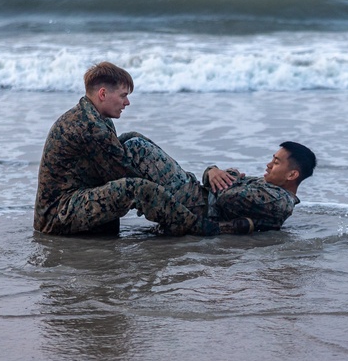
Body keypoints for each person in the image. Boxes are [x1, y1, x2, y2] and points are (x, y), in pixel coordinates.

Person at [34, 62, 209, 236]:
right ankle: (195, 225)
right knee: (139, 188)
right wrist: (167, 194)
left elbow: (117, 153)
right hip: (57, 216)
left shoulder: (95, 116)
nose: (127, 102)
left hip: (75, 197)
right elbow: (124, 175)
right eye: (123, 95)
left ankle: (189, 194)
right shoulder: (90, 126)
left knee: (134, 139)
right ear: (103, 94)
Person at [122, 137, 316, 232]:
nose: (268, 165)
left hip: (191, 203)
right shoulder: (271, 187)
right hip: (194, 192)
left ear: (292, 174)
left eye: (276, 162)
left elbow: (226, 197)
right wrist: (212, 171)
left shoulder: (278, 200)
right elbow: (222, 183)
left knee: (137, 147)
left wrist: (228, 173)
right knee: (133, 138)